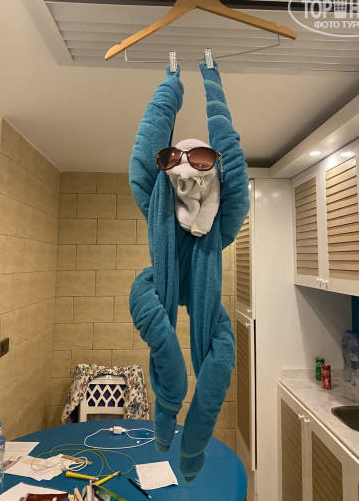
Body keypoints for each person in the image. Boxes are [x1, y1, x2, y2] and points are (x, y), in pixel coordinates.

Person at [129, 61, 249, 481]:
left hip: (204, 294)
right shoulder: (155, 204)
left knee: (221, 355)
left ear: (212, 169)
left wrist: (213, 84)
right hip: (158, 283)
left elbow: (235, 169)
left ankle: (193, 446)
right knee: (147, 309)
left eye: (198, 159)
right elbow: (145, 150)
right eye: (173, 159)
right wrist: (171, 85)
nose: (182, 168)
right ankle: (167, 410)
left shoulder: (222, 220)